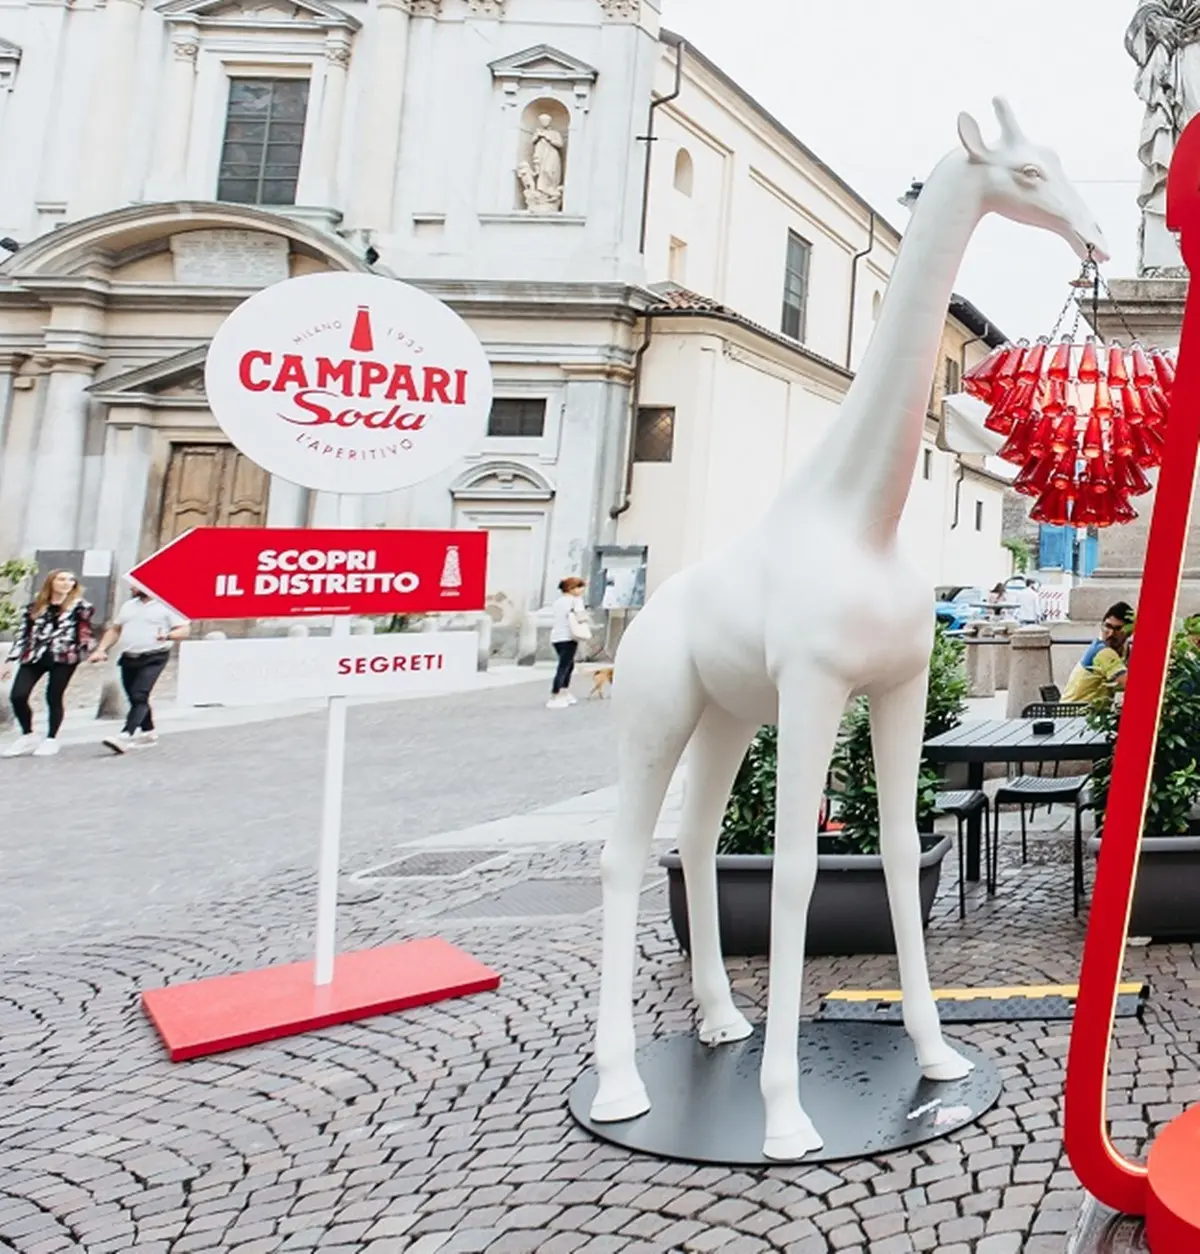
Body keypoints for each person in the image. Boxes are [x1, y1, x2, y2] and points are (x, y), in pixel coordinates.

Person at [1, 570, 94, 757]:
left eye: (70, 580)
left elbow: (84, 631)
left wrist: (88, 649)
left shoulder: (80, 607)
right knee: (18, 695)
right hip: (35, 655)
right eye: (61, 579)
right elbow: (23, 634)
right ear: (51, 582)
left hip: (64, 657)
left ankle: (51, 738)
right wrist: (10, 661)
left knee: (53, 696)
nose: (66, 583)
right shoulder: (34, 607)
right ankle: (28, 735)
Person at [90, 584, 190, 753]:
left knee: (140, 693)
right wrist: (101, 649)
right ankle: (148, 732)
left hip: (155, 655)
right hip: (129, 656)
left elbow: (184, 629)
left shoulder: (167, 604)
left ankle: (125, 735)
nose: (131, 587)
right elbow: (115, 629)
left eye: (136, 584)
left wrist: (168, 636)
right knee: (135, 697)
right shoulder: (129, 606)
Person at [1062, 602, 1135, 704]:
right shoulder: (1103, 652)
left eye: (1118, 629)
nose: (1111, 633)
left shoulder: (1124, 650)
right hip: (1073, 715)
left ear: (1129, 632)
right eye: (1107, 626)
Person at [547, 576, 588, 709]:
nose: (582, 590)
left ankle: (564, 692)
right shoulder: (576, 601)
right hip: (569, 636)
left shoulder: (558, 602)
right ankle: (556, 694)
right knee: (564, 666)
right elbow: (581, 617)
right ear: (572, 588)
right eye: (580, 587)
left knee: (568, 665)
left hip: (556, 637)